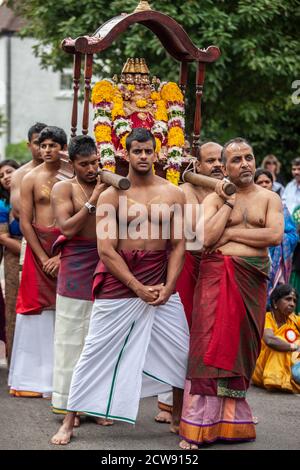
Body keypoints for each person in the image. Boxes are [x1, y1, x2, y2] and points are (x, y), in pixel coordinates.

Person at [51, 127, 189, 445]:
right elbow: (106, 249)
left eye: (148, 151)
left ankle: (179, 415)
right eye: (137, 151)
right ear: (126, 155)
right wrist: (136, 286)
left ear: (157, 154)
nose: (143, 156)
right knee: (94, 351)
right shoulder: (113, 194)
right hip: (120, 282)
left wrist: (168, 287)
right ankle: (69, 422)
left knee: (181, 350)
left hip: (161, 282)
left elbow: (180, 244)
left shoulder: (174, 193)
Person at [179, 137, 284, 449]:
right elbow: (205, 239)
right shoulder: (214, 198)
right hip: (216, 276)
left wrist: (232, 233)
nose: (245, 165)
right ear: (224, 168)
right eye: (236, 160)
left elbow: (275, 235)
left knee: (240, 347)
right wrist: (227, 202)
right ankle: (199, 425)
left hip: (251, 280)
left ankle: (231, 422)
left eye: (249, 157)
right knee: (207, 345)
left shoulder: (269, 198)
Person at [155, 141, 224, 424]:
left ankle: (214, 408)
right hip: (187, 269)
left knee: (214, 339)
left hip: (216, 270)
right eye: (210, 161)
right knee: (181, 338)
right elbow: (199, 235)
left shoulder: (227, 190)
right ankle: (171, 404)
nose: (218, 165)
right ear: (197, 165)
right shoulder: (186, 192)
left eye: (221, 159)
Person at [50, 135, 109, 426]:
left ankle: (96, 406)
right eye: (84, 164)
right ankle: (66, 404)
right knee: (70, 337)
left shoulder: (108, 183)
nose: (91, 168)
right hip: (74, 266)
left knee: (98, 338)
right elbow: (66, 228)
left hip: (105, 262)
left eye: (95, 162)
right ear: (71, 164)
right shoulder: (64, 188)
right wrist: (93, 201)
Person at [8, 126, 67, 398]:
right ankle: (32, 380)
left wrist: (61, 254)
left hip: (66, 246)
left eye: (52, 145)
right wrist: (43, 256)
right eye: (43, 145)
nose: (47, 150)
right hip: (36, 247)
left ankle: (61, 381)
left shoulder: (71, 174)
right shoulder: (30, 178)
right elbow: (24, 221)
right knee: (35, 308)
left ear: (62, 148)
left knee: (64, 311)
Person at [254, 169, 298, 300]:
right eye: (260, 182)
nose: (264, 184)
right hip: (257, 259)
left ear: (272, 184)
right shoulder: (250, 206)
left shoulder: (281, 207)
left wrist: (279, 237)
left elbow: (293, 235)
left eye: (267, 181)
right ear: (254, 184)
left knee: (276, 299)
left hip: (279, 263)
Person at [252, 284, 300, 393]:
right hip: (263, 371)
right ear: (275, 303)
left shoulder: (294, 320)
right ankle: (277, 380)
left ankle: (288, 380)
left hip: (290, 368)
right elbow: (270, 340)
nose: (292, 304)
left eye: (294, 301)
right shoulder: (266, 318)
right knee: (279, 343)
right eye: (288, 299)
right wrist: (294, 347)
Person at [0, 160, 22, 364]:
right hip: (14, 260)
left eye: (9, 171)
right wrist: (31, 250)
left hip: (44, 257)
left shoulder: (29, 194)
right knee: (13, 307)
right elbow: (3, 237)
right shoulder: (2, 204)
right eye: (1, 175)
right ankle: (14, 361)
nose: (6, 176)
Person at [10, 122, 47, 220]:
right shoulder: (18, 175)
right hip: (31, 231)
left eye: (45, 143)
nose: (41, 147)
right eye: (37, 143)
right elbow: (18, 212)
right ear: (29, 145)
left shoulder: (62, 170)